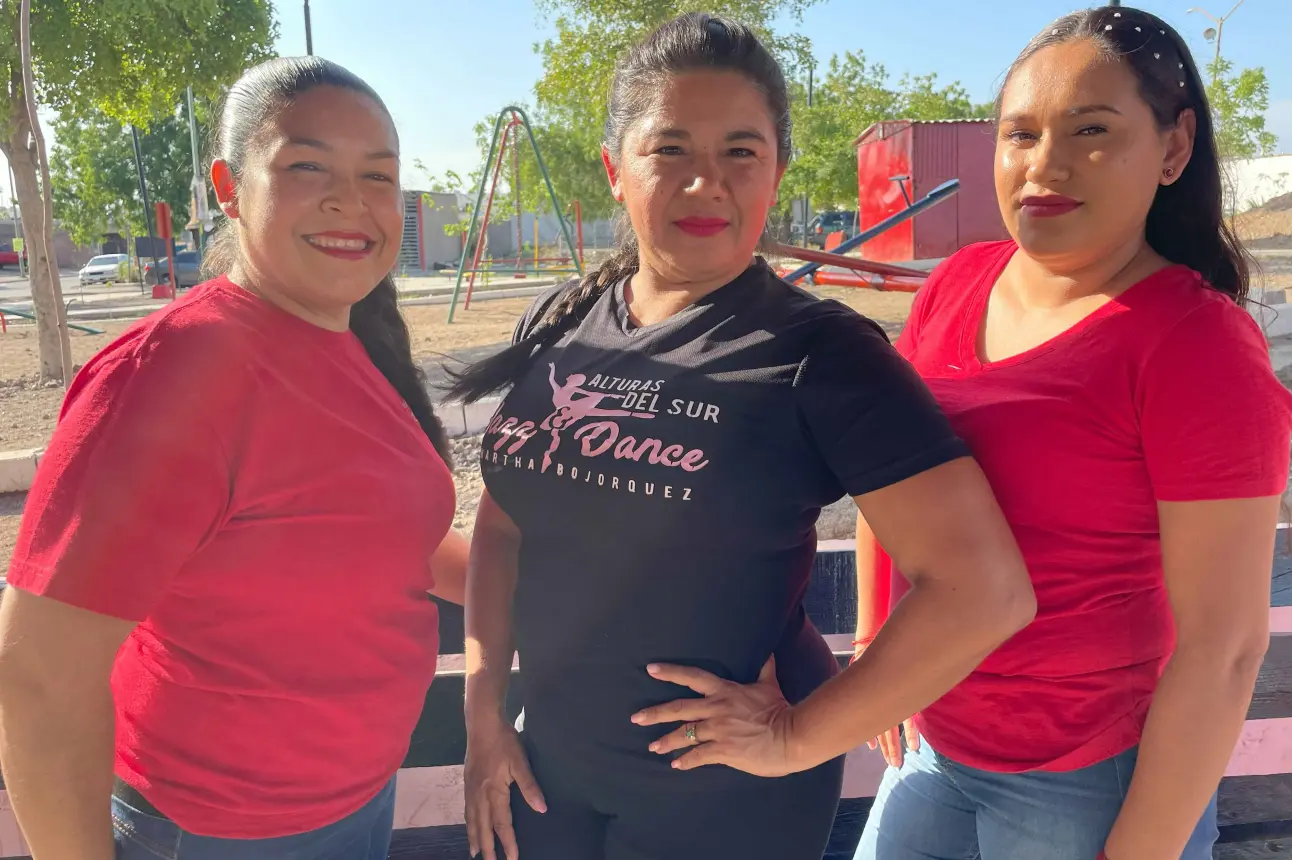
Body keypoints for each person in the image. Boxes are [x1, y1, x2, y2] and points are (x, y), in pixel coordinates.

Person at [659, 7, 1291, 860]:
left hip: (1091, 775)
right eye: (1018, 134)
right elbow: (894, 483)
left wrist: (1137, 851)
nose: (1046, 164)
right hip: (937, 744)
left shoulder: (1196, 345)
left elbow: (1224, 649)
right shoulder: (959, 284)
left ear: (1174, 148)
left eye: (1091, 130)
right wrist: (879, 651)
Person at [449, 13, 1037, 860]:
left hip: (725, 805)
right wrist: (482, 720)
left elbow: (984, 589)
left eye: (740, 152)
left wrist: (799, 738)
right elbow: (504, 529)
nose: (705, 184)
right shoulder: (572, 322)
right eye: (672, 150)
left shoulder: (820, 353)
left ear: (778, 172)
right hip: (544, 777)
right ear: (617, 169)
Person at [0, 57, 467, 860]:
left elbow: (394, 538)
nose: (349, 201)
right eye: (307, 165)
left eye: (378, 176)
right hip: (221, 832)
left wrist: (561, 573)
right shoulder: (176, 373)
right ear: (227, 184)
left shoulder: (345, 343)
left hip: (355, 801)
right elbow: (37, 676)